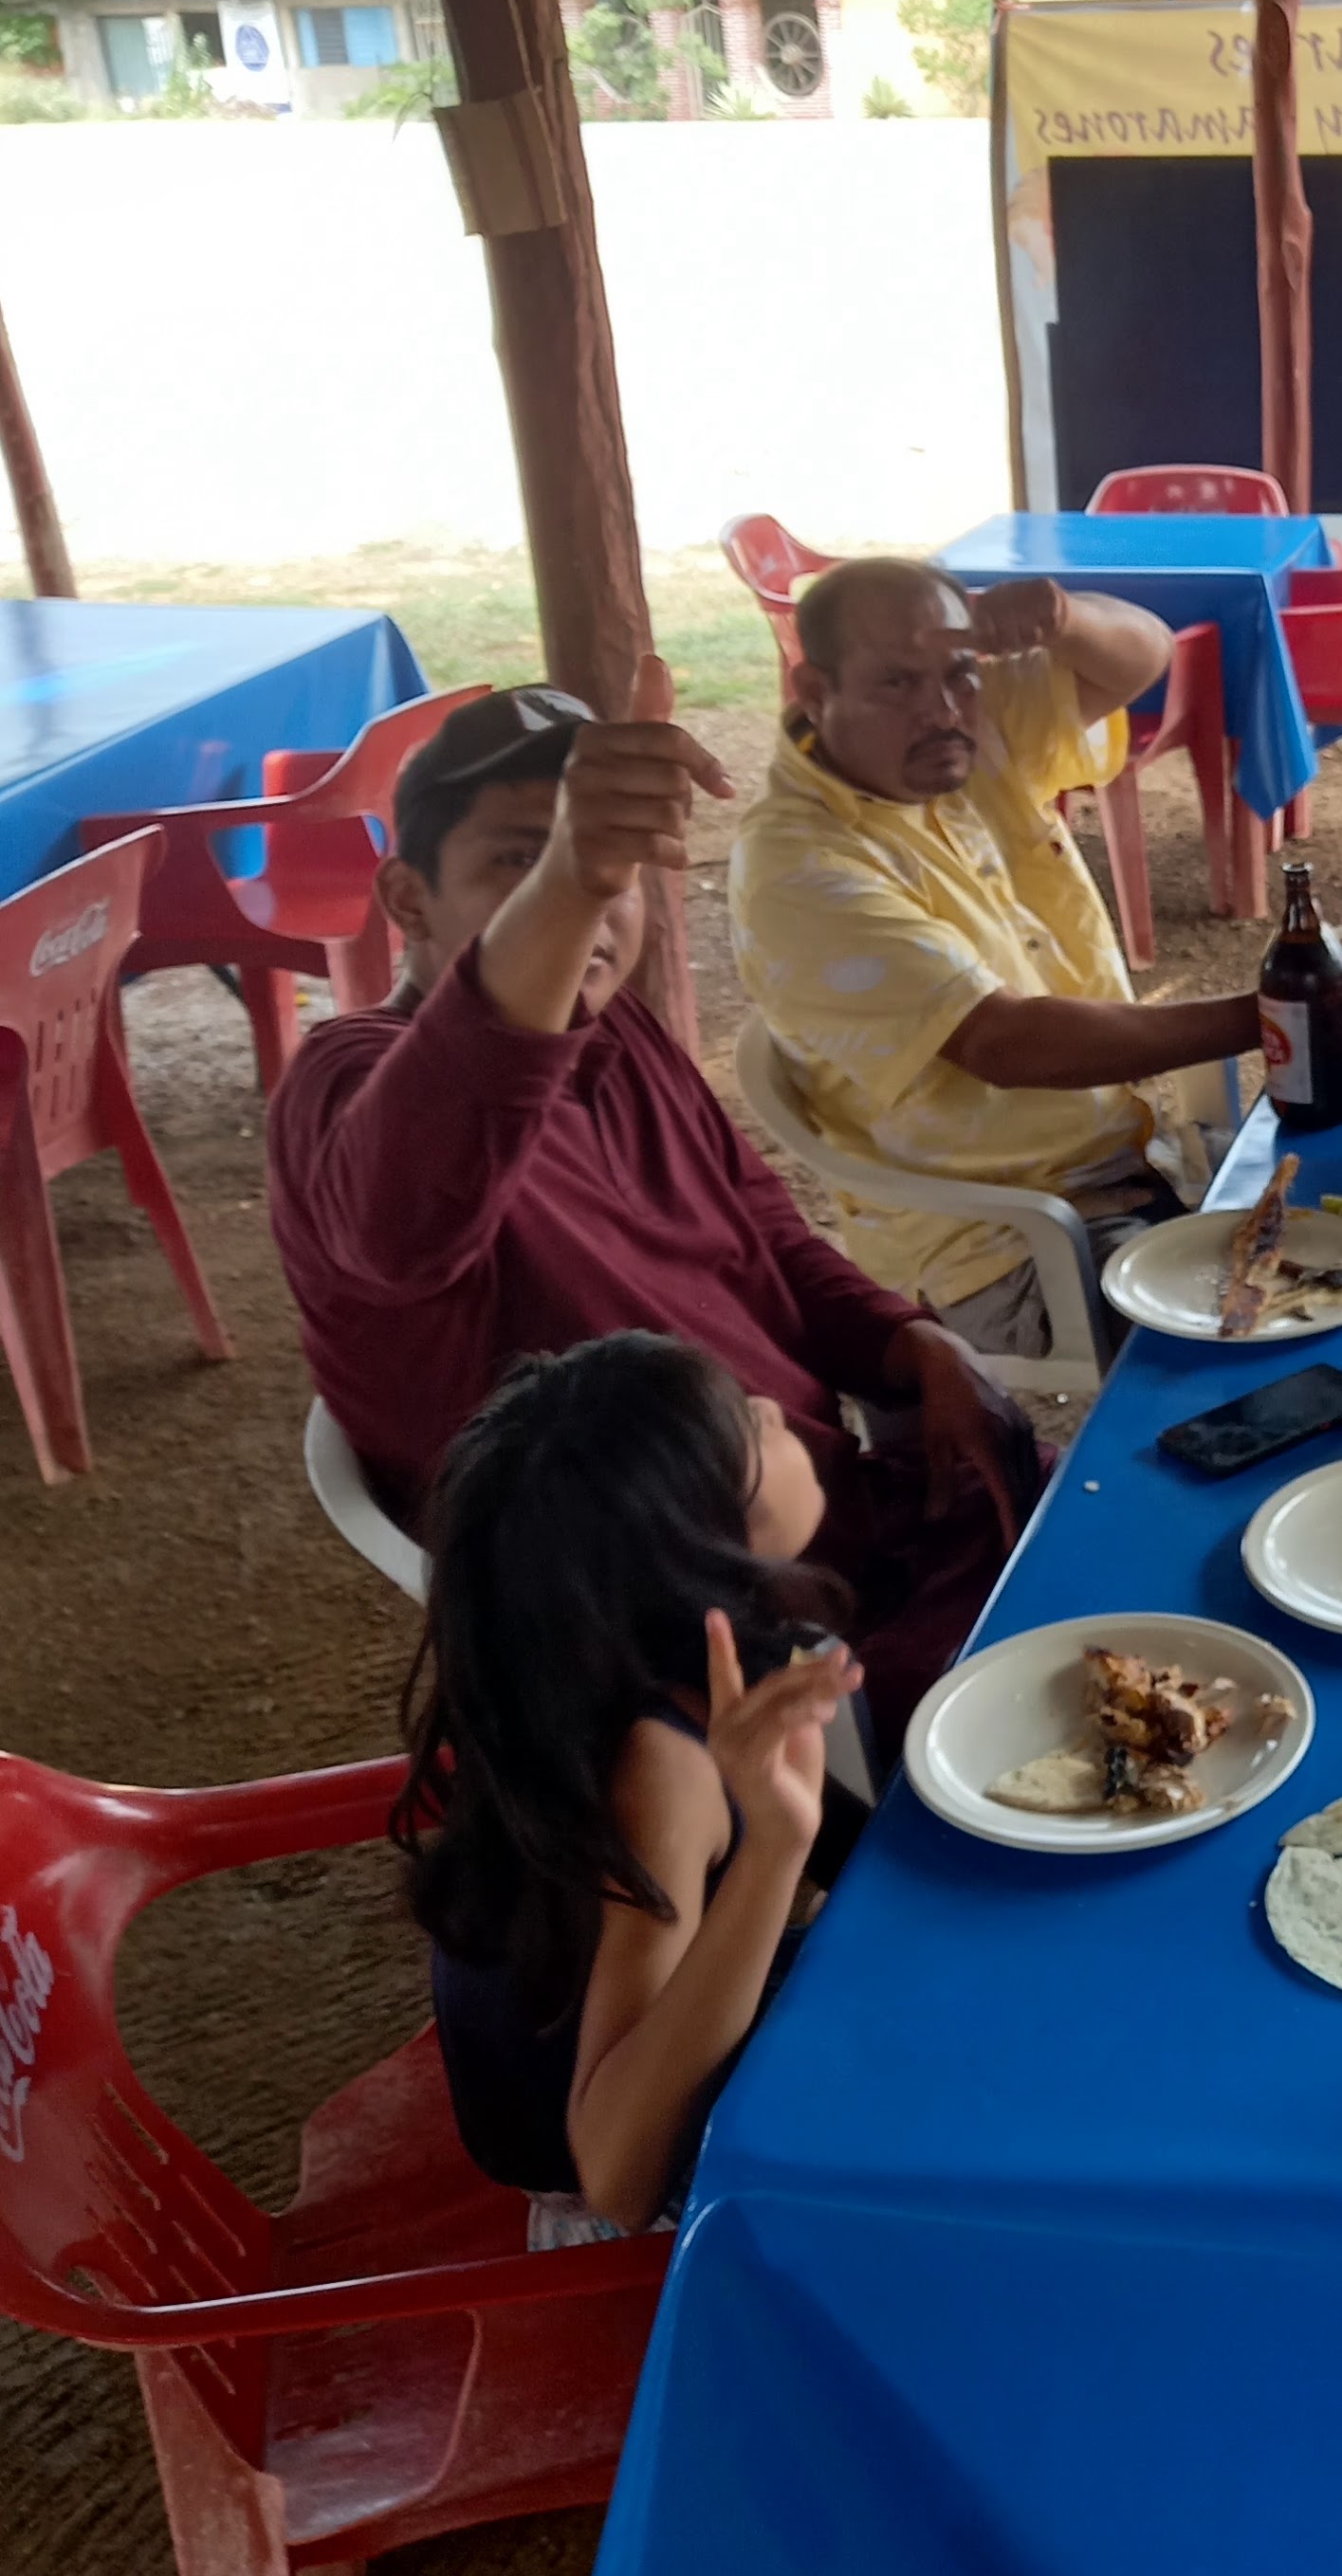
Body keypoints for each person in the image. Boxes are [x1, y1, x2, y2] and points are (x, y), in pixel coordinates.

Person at [267, 667, 1037, 1769]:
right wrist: (571, 884)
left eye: (604, 865)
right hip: (702, 1643)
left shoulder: (619, 1036)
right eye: (513, 861)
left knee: (1146, 1522)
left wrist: (904, 1340)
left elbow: (763, 1238)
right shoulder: (348, 1089)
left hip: (855, 1520)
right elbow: (405, 1216)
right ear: (406, 899)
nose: (586, 900)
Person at [728, 557, 1260, 1360]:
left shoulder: (960, 742)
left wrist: (1064, 619)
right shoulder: (799, 867)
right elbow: (1010, 1044)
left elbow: (1144, 656)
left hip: (1122, 1159)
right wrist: (1270, 1015)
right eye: (896, 685)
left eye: (959, 675)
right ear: (814, 692)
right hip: (1002, 1239)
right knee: (1265, 1337)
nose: (940, 711)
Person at [395, 1333, 858, 2226]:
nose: (770, 1409)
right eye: (748, 1427)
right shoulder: (661, 1773)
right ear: (703, 1537)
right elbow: (619, 2175)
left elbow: (861, 1854)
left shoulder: (631, 1662)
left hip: (658, 2042)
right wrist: (774, 1850)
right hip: (646, 2220)